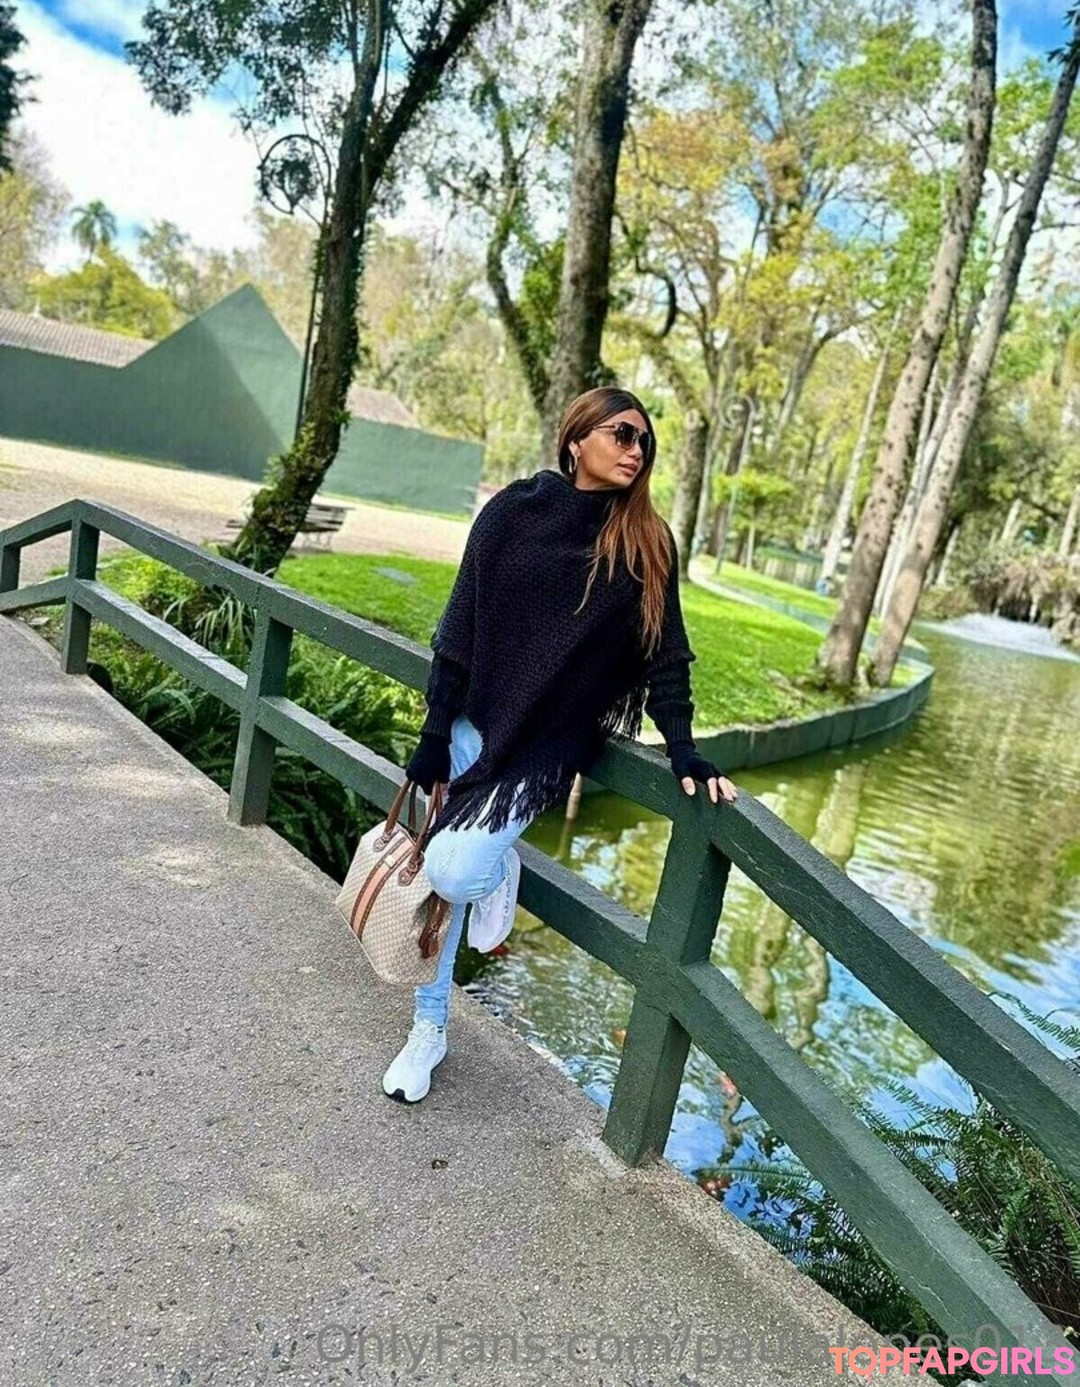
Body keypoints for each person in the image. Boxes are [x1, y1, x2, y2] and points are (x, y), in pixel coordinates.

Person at [381, 386, 739, 1103]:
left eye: (645, 442)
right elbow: (458, 627)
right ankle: (429, 1029)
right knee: (450, 884)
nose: (636, 450)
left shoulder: (646, 542)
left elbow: (666, 655)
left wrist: (683, 748)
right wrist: (433, 733)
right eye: (622, 434)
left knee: (453, 872)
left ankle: (493, 867)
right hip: (471, 726)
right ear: (577, 439)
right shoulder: (513, 511)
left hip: (544, 751)